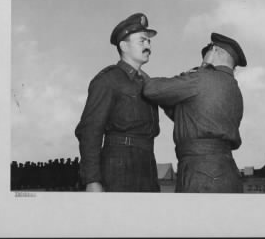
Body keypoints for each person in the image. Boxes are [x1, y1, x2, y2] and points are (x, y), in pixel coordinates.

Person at [143, 32, 247, 193]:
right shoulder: (234, 89)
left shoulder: (200, 78)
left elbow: (152, 89)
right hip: (228, 169)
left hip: (200, 169)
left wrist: (144, 77)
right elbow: (188, 114)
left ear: (214, 52)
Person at [75, 13, 160, 192]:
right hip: (119, 167)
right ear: (124, 46)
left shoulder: (147, 83)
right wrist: (92, 180)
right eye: (142, 41)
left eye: (149, 42)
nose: (148, 45)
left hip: (147, 165)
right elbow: (90, 130)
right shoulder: (108, 79)